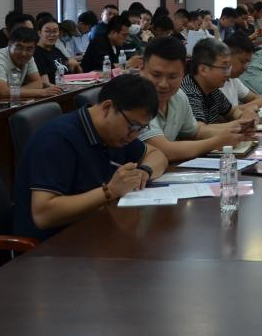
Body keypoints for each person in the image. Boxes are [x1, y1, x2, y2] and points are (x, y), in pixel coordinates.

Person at [13, 74, 169, 241]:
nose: (134, 135)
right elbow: (43, 215)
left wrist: (144, 172)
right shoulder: (57, 139)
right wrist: (110, 191)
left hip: (95, 231)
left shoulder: (117, 134)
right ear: (107, 107)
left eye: (140, 129)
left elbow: (157, 155)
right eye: (133, 126)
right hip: (50, 247)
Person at [136, 36, 252, 163]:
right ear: (141, 68)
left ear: (182, 73)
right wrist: (217, 142)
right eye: (156, 75)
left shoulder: (179, 96)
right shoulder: (136, 100)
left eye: (172, 77)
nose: (164, 84)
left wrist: (237, 130)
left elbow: (196, 131)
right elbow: (165, 150)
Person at [180, 38, 261, 126]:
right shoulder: (189, 92)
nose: (228, 73)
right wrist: (237, 125)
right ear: (203, 69)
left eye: (228, 67)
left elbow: (232, 112)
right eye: (224, 67)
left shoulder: (213, 90)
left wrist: (244, 116)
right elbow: (200, 130)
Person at [0, 26, 63, 100]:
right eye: (19, 48)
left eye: (29, 49)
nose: (24, 53)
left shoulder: (29, 57)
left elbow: (38, 83)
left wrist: (12, 91)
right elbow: (3, 92)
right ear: (9, 44)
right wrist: (42, 92)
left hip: (7, 102)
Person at [223, 33, 262, 115]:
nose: (246, 67)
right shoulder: (216, 83)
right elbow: (222, 115)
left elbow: (253, 97)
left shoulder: (233, 79)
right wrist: (261, 103)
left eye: (248, 62)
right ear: (227, 56)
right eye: (243, 61)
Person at [34, 16, 77, 84]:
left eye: (55, 31)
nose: (52, 35)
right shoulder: (36, 53)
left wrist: (75, 64)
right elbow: (45, 84)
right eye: (47, 31)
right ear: (39, 33)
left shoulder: (56, 50)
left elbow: (73, 71)